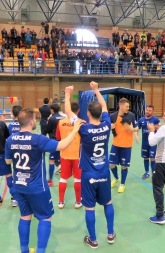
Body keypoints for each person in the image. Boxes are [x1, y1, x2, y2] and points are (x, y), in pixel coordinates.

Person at [5, 108, 83, 253]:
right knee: (45, 218)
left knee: (25, 216)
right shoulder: (37, 139)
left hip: (19, 186)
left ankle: (24, 250)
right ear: (30, 121)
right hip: (37, 187)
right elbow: (61, 145)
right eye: (34, 118)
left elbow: (8, 161)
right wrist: (75, 130)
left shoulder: (10, 139)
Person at [64, 82, 116, 249]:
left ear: (87, 113)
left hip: (88, 175)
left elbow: (67, 112)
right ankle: (110, 234)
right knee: (108, 203)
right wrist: (96, 89)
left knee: (90, 207)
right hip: (104, 173)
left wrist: (67, 93)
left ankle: (93, 240)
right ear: (101, 113)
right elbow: (105, 106)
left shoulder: (83, 128)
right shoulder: (106, 124)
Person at [55, 102, 82, 209]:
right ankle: (78, 202)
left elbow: (58, 137)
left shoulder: (61, 122)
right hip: (77, 155)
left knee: (63, 179)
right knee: (77, 179)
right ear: (78, 111)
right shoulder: (81, 122)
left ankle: (61, 202)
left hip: (64, 154)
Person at [109, 98, 139, 193]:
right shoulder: (113, 116)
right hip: (115, 145)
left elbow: (137, 128)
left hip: (126, 146)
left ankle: (122, 184)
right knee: (111, 164)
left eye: (129, 106)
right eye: (126, 106)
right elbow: (107, 127)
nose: (128, 108)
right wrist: (110, 127)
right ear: (120, 106)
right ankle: (116, 178)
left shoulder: (131, 116)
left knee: (123, 166)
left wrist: (132, 129)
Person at [45, 104, 66, 186]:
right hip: (63, 141)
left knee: (51, 160)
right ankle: (63, 180)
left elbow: (47, 129)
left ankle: (50, 180)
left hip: (54, 141)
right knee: (63, 160)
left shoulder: (52, 118)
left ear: (52, 110)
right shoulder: (64, 118)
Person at [137, 105, 160, 179]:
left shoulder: (155, 120)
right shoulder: (141, 120)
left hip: (153, 142)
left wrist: (157, 127)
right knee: (145, 157)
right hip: (145, 143)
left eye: (150, 110)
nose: (147, 111)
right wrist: (136, 136)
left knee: (152, 158)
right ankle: (147, 172)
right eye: (147, 110)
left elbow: (159, 129)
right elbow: (137, 128)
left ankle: (154, 173)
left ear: (153, 112)